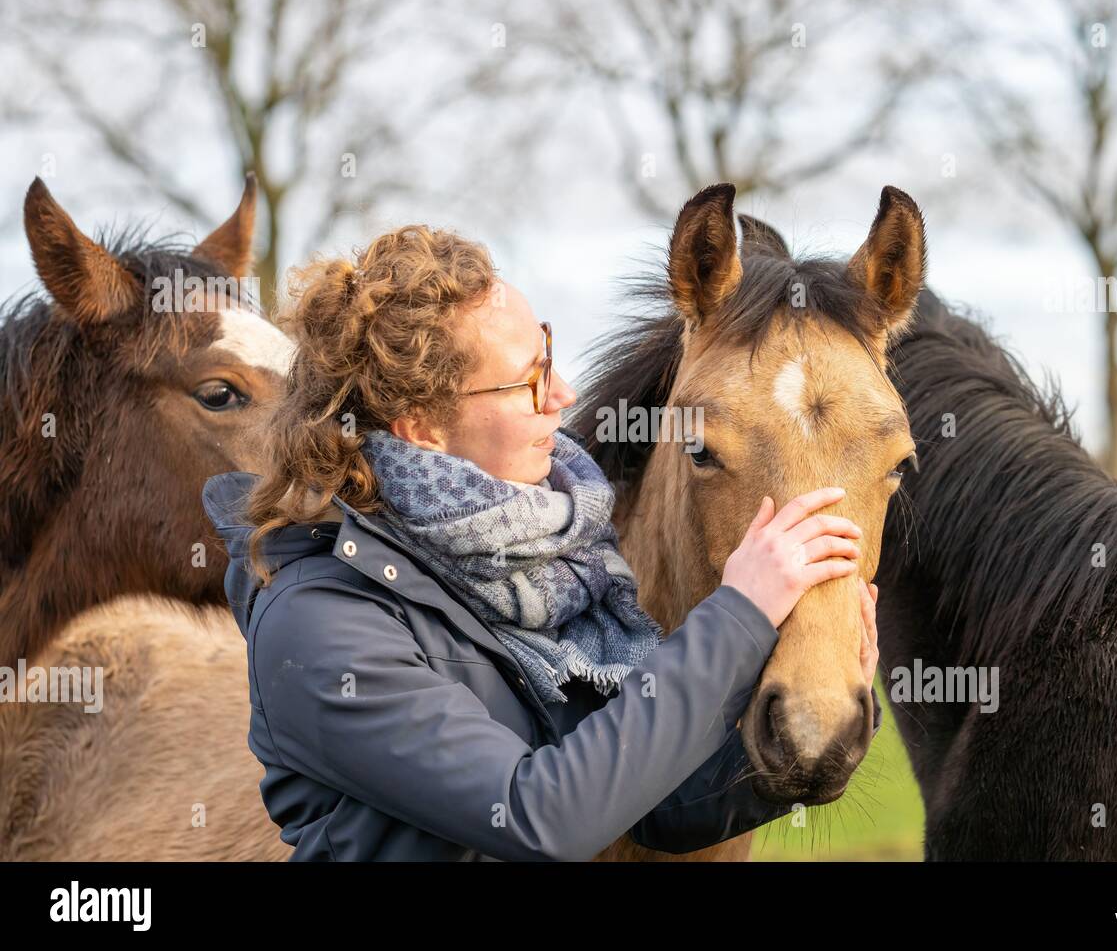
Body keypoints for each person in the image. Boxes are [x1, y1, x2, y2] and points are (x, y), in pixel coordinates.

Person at [201, 223, 882, 861]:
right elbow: (537, 814)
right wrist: (738, 616)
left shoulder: (555, 562)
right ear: (421, 427)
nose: (563, 393)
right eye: (527, 379)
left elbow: (640, 800)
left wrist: (798, 745)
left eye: (548, 354)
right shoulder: (319, 620)